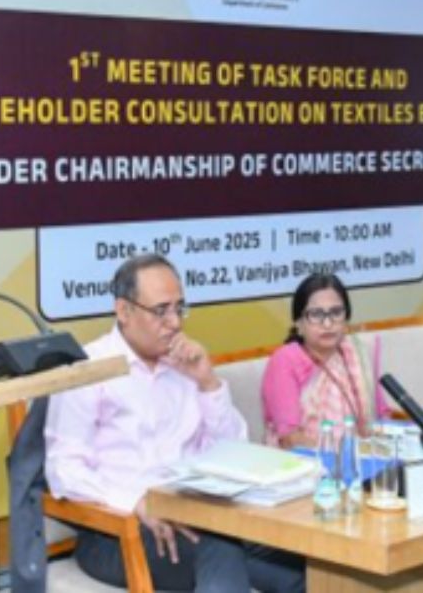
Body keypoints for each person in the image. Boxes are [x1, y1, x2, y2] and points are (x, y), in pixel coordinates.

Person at [44, 254, 304, 592]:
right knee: (221, 545)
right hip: (118, 532)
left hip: (195, 518)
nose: (175, 322)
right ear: (124, 311)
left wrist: (207, 382)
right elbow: (63, 470)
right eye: (161, 310)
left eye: (179, 308)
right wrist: (135, 502)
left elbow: (234, 452)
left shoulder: (183, 367)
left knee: (303, 565)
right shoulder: (89, 369)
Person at [261, 273, 388, 448]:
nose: (327, 323)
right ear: (298, 323)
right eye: (316, 314)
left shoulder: (358, 353)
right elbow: (290, 439)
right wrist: (338, 457)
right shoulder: (285, 361)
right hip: (306, 461)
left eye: (336, 312)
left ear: (346, 319)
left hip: (364, 457)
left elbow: (382, 416)